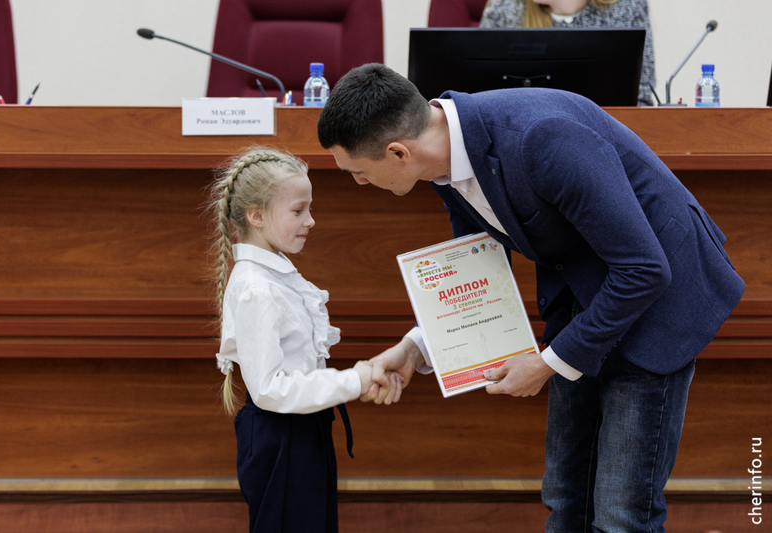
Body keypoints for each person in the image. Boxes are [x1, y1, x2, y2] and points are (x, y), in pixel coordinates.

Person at [316, 64, 744, 532]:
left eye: (358, 172)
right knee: (566, 499)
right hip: (585, 292)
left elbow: (645, 269)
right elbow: (478, 268)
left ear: (398, 152)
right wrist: (416, 347)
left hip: (659, 297)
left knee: (621, 516)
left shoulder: (540, 137)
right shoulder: (442, 159)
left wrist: (545, 365)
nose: (359, 183)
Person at [211, 147, 400, 533]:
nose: (310, 220)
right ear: (256, 216)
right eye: (298, 211)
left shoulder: (277, 275)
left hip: (304, 431)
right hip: (282, 439)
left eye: (309, 209)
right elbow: (269, 389)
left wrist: (358, 380)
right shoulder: (256, 288)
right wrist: (355, 380)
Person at [480, 0, 657, 106]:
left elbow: (641, 96)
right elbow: (480, 99)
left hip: (603, 136)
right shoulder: (503, 8)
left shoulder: (628, 6)